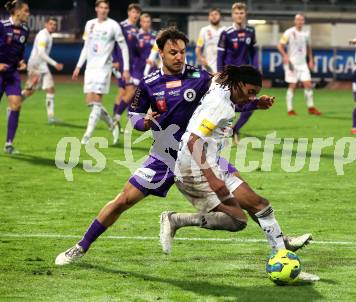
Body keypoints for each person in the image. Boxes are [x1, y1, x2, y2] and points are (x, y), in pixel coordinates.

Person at [55, 27, 310, 266]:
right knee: (123, 200)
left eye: (182, 52)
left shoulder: (200, 77)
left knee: (249, 200)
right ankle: (81, 246)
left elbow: (227, 100)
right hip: (164, 157)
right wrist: (142, 121)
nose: (178, 57)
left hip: (202, 155)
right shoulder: (149, 83)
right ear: (161, 53)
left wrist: (254, 103)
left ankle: (280, 241)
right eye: (172, 52)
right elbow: (133, 116)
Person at [163, 65, 318, 282]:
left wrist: (254, 102)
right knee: (237, 221)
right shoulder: (220, 106)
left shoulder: (221, 84)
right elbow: (193, 140)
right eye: (250, 92)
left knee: (261, 205)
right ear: (237, 84)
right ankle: (176, 219)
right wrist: (211, 178)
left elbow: (216, 77)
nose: (251, 96)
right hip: (194, 170)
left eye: (255, 92)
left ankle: (282, 253)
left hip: (212, 162)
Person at [72, 0, 130, 145]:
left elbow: (124, 48)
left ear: (108, 10)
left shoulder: (113, 26)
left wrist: (126, 68)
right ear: (96, 9)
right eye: (101, 8)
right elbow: (86, 46)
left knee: (97, 101)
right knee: (91, 102)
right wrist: (78, 66)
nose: (104, 10)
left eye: (106, 8)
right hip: (90, 68)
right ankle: (112, 125)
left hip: (104, 68)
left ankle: (87, 135)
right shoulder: (89, 24)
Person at [217, 2, 258, 144]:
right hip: (230, 76)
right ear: (232, 15)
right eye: (236, 13)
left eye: (241, 13)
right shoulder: (226, 33)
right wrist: (220, 73)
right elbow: (220, 55)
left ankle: (235, 129)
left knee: (250, 106)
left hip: (245, 76)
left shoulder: (251, 32)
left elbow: (254, 53)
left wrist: (256, 72)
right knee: (226, 106)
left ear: (245, 14)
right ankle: (217, 134)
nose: (239, 16)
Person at [277, 14, 321, 116]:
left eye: (302, 20)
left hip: (303, 64)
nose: (300, 21)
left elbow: (309, 47)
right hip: (292, 64)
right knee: (293, 85)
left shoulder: (305, 34)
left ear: (303, 22)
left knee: (308, 85)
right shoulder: (289, 32)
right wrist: (285, 56)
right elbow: (280, 45)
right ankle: (290, 109)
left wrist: (311, 60)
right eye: (298, 20)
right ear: (295, 21)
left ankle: (311, 107)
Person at [0, 0, 30, 154]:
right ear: (17, 12)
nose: (28, 13)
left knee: (16, 105)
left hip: (12, 73)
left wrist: (21, 62)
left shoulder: (25, 30)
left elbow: (20, 52)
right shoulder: (2, 26)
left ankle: (9, 144)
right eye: (26, 10)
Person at [22, 17, 64, 123]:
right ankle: (13, 105)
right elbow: (41, 53)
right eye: (51, 24)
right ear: (46, 24)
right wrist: (55, 64)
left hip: (42, 66)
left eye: (54, 24)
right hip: (35, 66)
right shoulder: (43, 35)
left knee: (50, 89)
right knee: (30, 90)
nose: (53, 26)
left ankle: (51, 118)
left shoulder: (49, 36)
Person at [112, 3, 141, 126]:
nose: (136, 15)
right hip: (121, 64)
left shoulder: (136, 30)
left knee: (122, 92)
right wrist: (114, 60)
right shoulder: (121, 26)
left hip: (131, 65)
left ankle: (114, 121)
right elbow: (113, 43)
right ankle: (117, 118)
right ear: (129, 12)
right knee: (131, 90)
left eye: (138, 13)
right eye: (133, 12)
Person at [196, 8, 224, 73]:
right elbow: (198, 49)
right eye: (211, 15)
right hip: (208, 68)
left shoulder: (225, 30)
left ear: (220, 16)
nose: (214, 16)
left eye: (216, 14)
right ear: (209, 17)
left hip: (222, 68)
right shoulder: (204, 30)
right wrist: (202, 59)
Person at [131, 13, 157, 86]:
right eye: (144, 22)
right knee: (134, 91)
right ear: (140, 22)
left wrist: (155, 61)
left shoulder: (155, 35)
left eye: (148, 22)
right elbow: (132, 52)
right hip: (138, 67)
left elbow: (158, 51)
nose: (146, 24)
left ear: (150, 23)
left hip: (151, 67)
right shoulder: (136, 35)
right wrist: (144, 59)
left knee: (152, 92)